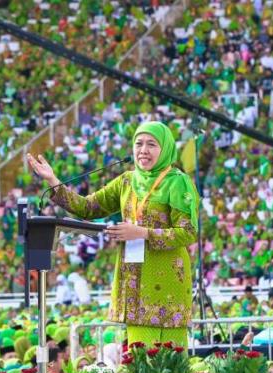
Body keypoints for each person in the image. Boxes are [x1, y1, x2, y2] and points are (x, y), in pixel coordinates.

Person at [27, 121, 199, 348]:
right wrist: (53, 180)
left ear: (165, 148)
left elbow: (188, 232)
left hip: (168, 278)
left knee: (173, 360)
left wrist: (142, 233)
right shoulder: (127, 181)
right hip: (134, 278)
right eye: (138, 144)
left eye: (151, 144)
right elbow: (87, 208)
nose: (143, 150)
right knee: (141, 359)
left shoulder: (177, 183)